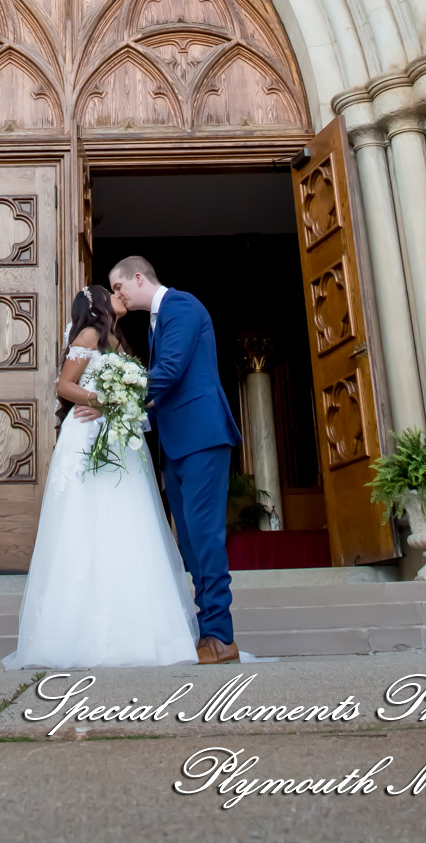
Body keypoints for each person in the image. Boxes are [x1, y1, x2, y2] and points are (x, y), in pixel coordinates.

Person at [2, 283, 199, 669]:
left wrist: (120, 402)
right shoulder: (90, 334)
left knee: (127, 525)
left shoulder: (116, 338)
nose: (118, 296)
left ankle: (138, 631)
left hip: (119, 439)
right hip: (91, 435)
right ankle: (83, 633)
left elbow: (131, 391)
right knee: (92, 522)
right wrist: (103, 401)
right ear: (96, 305)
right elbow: (64, 385)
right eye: (111, 293)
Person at [109, 256, 242, 664]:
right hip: (177, 442)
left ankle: (220, 636)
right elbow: (164, 385)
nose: (119, 297)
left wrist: (111, 401)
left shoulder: (181, 306)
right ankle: (208, 632)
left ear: (137, 277)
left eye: (118, 289)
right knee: (187, 540)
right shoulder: (156, 319)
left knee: (204, 536)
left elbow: (168, 372)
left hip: (201, 435)